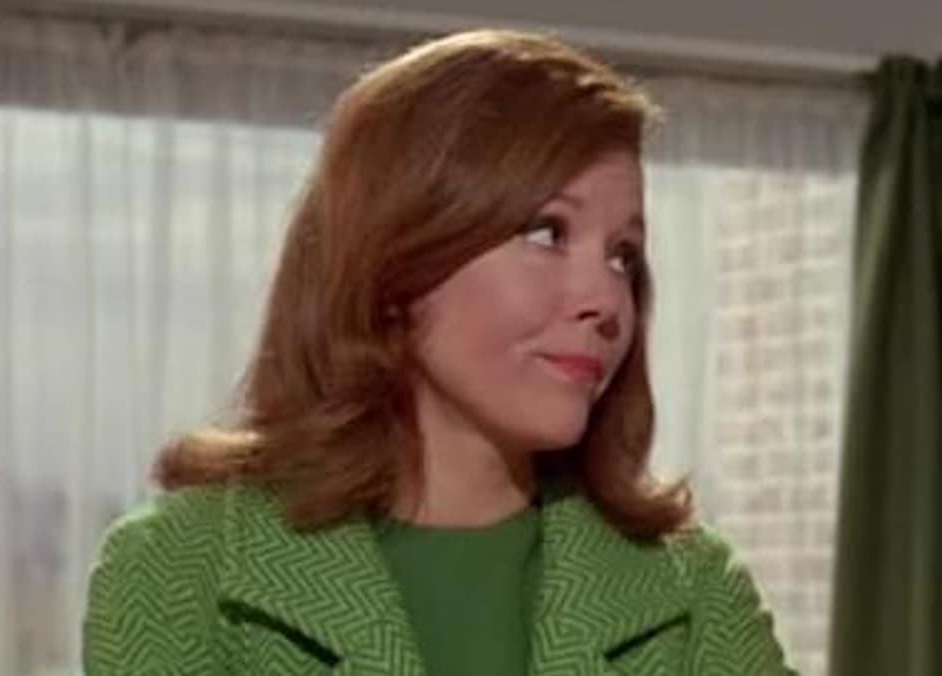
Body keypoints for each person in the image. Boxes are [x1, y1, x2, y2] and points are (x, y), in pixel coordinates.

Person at [82, 29, 792, 676]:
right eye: (547, 233)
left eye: (622, 255)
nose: (606, 299)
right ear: (396, 258)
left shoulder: (692, 586)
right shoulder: (180, 568)